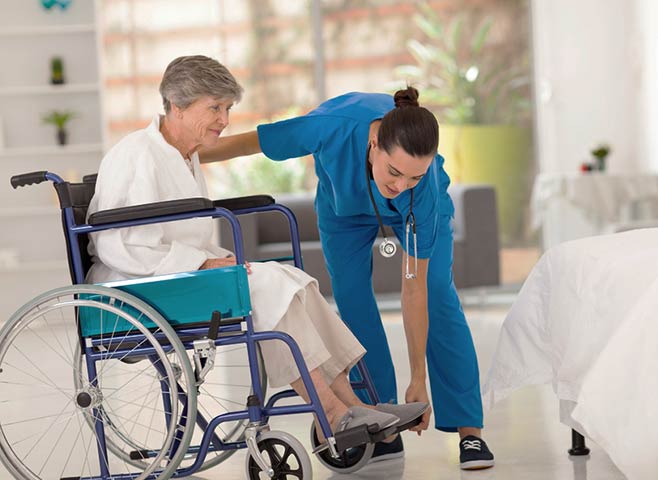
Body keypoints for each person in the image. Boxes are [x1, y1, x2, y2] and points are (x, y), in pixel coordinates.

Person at [85, 55, 427, 440]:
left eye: (227, 108)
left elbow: (181, 233)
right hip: (138, 287)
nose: (225, 119)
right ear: (177, 106)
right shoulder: (135, 154)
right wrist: (201, 263)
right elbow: (118, 244)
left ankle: (357, 405)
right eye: (214, 107)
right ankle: (331, 412)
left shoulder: (184, 156)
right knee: (267, 287)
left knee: (294, 280)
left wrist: (212, 259)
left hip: (177, 278)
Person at [200, 87, 495, 469]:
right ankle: (378, 419)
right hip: (345, 211)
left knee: (437, 293)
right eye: (394, 171)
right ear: (374, 145)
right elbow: (250, 143)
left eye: (414, 176)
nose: (400, 184)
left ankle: (469, 431)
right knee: (353, 302)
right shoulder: (331, 126)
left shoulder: (422, 192)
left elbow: (413, 290)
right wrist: (181, 155)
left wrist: (418, 379)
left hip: (413, 216)